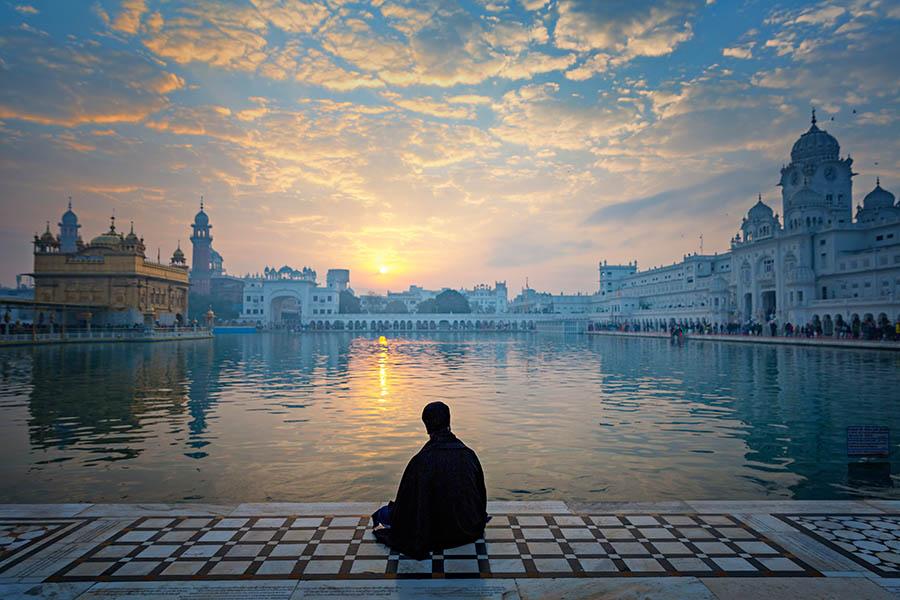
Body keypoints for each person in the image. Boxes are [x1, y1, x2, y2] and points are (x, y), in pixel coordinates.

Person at [372, 401, 488, 560]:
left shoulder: (420, 461)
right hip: (467, 530)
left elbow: (405, 508)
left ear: (427, 426)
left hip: (436, 534)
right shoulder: (469, 455)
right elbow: (480, 498)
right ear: (449, 421)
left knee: (383, 513)